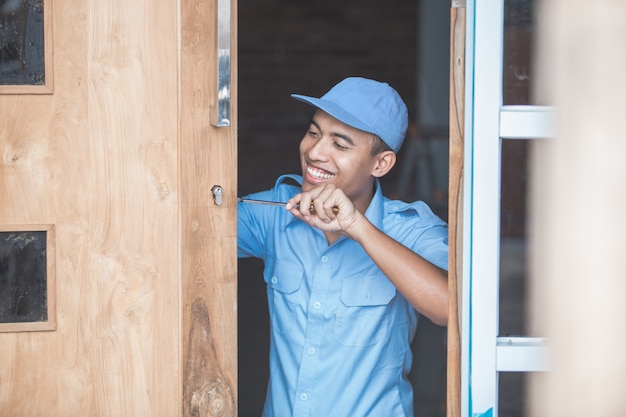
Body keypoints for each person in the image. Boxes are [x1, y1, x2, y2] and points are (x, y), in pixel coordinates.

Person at [238, 77, 448, 417]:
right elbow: (186, 227)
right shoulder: (276, 212)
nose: (315, 152)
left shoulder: (410, 229)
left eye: (340, 144)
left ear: (381, 164)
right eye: (314, 132)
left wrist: (358, 228)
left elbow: (450, 307)